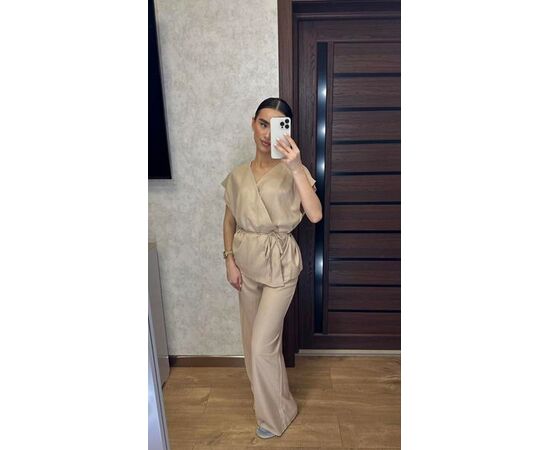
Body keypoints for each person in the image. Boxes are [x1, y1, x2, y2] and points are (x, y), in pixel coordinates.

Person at [220, 97, 322, 439]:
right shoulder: (237, 176)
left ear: (286, 131)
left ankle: (275, 416)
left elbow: (315, 214)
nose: (267, 133)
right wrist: (229, 259)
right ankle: (276, 404)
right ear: (253, 124)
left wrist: (296, 167)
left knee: (263, 345)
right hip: (245, 264)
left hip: (280, 264)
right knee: (252, 344)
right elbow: (229, 220)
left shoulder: (294, 170)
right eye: (263, 123)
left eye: (276, 126)